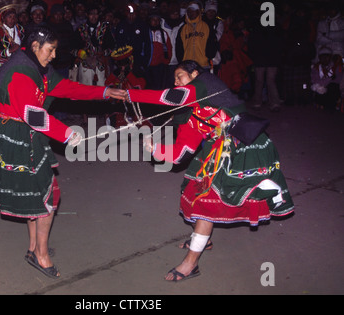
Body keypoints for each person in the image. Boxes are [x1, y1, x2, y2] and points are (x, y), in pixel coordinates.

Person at [0, 26, 127, 279]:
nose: (54, 55)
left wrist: (103, 91)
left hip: (22, 132)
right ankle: (41, 255)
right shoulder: (21, 71)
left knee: (35, 192)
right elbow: (33, 115)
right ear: (35, 46)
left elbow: (64, 87)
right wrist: (66, 134)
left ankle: (34, 248)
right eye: (51, 49)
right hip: (15, 134)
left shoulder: (34, 64)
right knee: (49, 195)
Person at [126, 60, 294, 281]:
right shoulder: (190, 113)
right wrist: (154, 148)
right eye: (174, 78)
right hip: (218, 151)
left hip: (242, 151)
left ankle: (190, 264)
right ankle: (204, 238)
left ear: (194, 73)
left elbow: (172, 96)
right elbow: (180, 153)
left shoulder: (207, 83)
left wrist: (130, 94)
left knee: (206, 203)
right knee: (196, 189)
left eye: (180, 76)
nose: (176, 82)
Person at [0, 6, 25, 75]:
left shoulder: (20, 29)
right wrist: (9, 51)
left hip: (19, 64)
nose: (12, 20)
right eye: (9, 17)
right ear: (3, 18)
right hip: (1, 67)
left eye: (14, 17)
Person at [175, 2, 210, 69]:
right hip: (187, 65)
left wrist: (208, 56)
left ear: (198, 12)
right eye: (189, 11)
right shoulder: (183, 28)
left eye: (193, 11)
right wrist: (181, 61)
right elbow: (179, 46)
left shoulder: (206, 26)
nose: (191, 13)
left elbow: (212, 43)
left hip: (203, 64)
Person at [311, 46, 343, 111]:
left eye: (327, 56)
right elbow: (316, 81)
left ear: (330, 57)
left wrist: (328, 80)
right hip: (320, 89)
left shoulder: (335, 66)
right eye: (322, 56)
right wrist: (329, 78)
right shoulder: (316, 67)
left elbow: (338, 80)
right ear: (319, 58)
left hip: (331, 89)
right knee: (318, 88)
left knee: (333, 87)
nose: (325, 59)